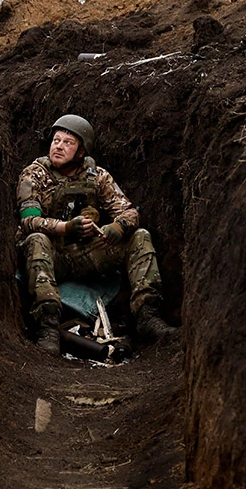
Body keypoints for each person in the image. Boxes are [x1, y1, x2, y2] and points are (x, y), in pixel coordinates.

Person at [17, 114, 178, 354]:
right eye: (56, 140)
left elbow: (129, 211)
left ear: (81, 151)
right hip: (53, 255)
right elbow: (28, 221)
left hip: (86, 252)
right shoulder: (34, 174)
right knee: (36, 240)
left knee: (139, 236)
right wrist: (65, 227)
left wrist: (118, 227)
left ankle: (147, 315)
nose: (58, 146)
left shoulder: (97, 176)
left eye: (67, 143)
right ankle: (47, 326)